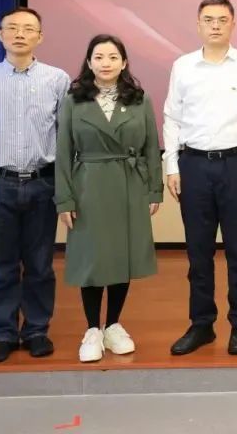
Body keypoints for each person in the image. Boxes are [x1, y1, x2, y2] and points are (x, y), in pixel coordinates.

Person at [0, 6, 70, 364]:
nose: (20, 34)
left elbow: (67, 137)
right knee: (2, 267)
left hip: (43, 183)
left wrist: (67, 190)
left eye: (28, 28)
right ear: (0, 34)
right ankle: (3, 334)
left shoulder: (57, 79)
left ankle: (36, 331)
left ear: (40, 36)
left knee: (40, 265)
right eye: (13, 28)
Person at [163, 0, 237, 356]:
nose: (215, 26)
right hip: (193, 166)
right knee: (198, 253)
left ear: (233, 25)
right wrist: (172, 165)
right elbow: (172, 118)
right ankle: (201, 324)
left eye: (222, 20)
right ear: (198, 25)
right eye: (208, 19)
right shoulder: (183, 66)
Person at [54, 34, 163, 363]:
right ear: (89, 62)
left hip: (129, 184)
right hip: (87, 186)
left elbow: (151, 147)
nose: (106, 63)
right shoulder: (74, 100)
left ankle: (113, 324)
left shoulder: (139, 99)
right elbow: (63, 152)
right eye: (99, 57)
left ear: (124, 62)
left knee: (121, 256)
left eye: (113, 57)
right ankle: (92, 330)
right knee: (92, 258)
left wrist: (154, 189)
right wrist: (64, 200)